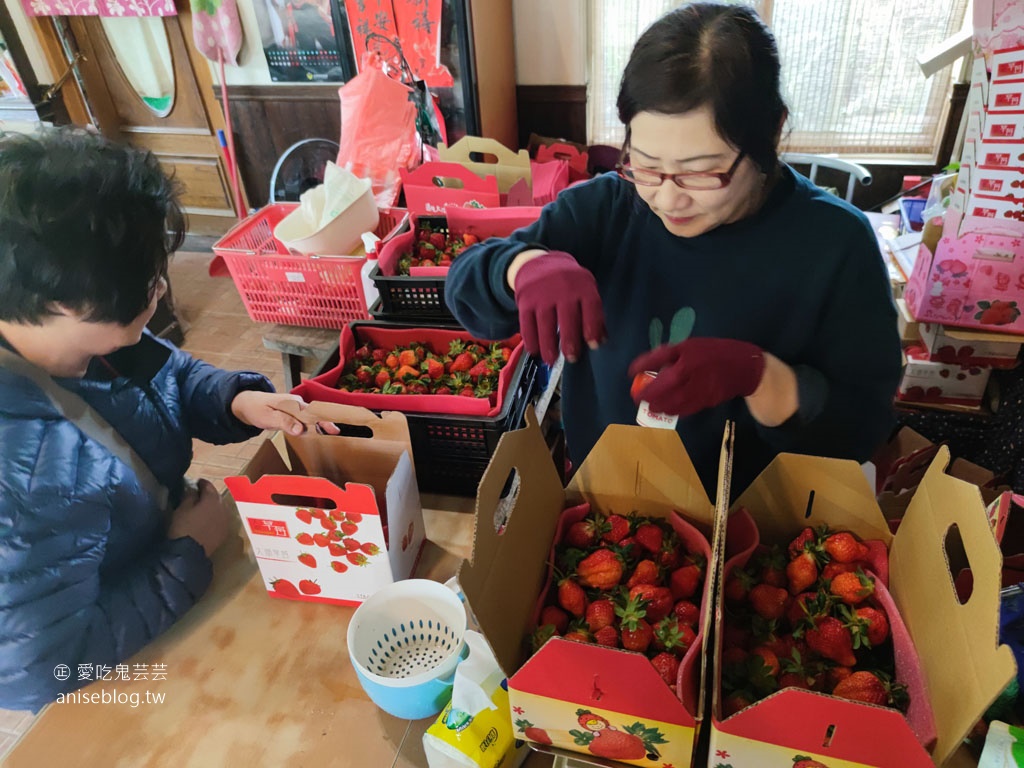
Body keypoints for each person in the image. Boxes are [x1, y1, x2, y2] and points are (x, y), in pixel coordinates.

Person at [445, 2, 902, 496]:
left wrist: (762, 377)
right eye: (644, 164)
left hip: (759, 521)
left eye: (701, 172)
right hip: (605, 502)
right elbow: (465, 288)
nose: (666, 197)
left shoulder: (835, 243)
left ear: (771, 133)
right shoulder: (605, 210)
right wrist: (521, 265)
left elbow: (861, 429)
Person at [0, 127, 331, 711]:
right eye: (144, 282)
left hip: (170, 564)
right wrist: (185, 555)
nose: (158, 290)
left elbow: (170, 377)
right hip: (129, 668)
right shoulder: (21, 474)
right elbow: (42, 669)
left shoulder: (94, 335)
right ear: (61, 300)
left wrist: (233, 399)